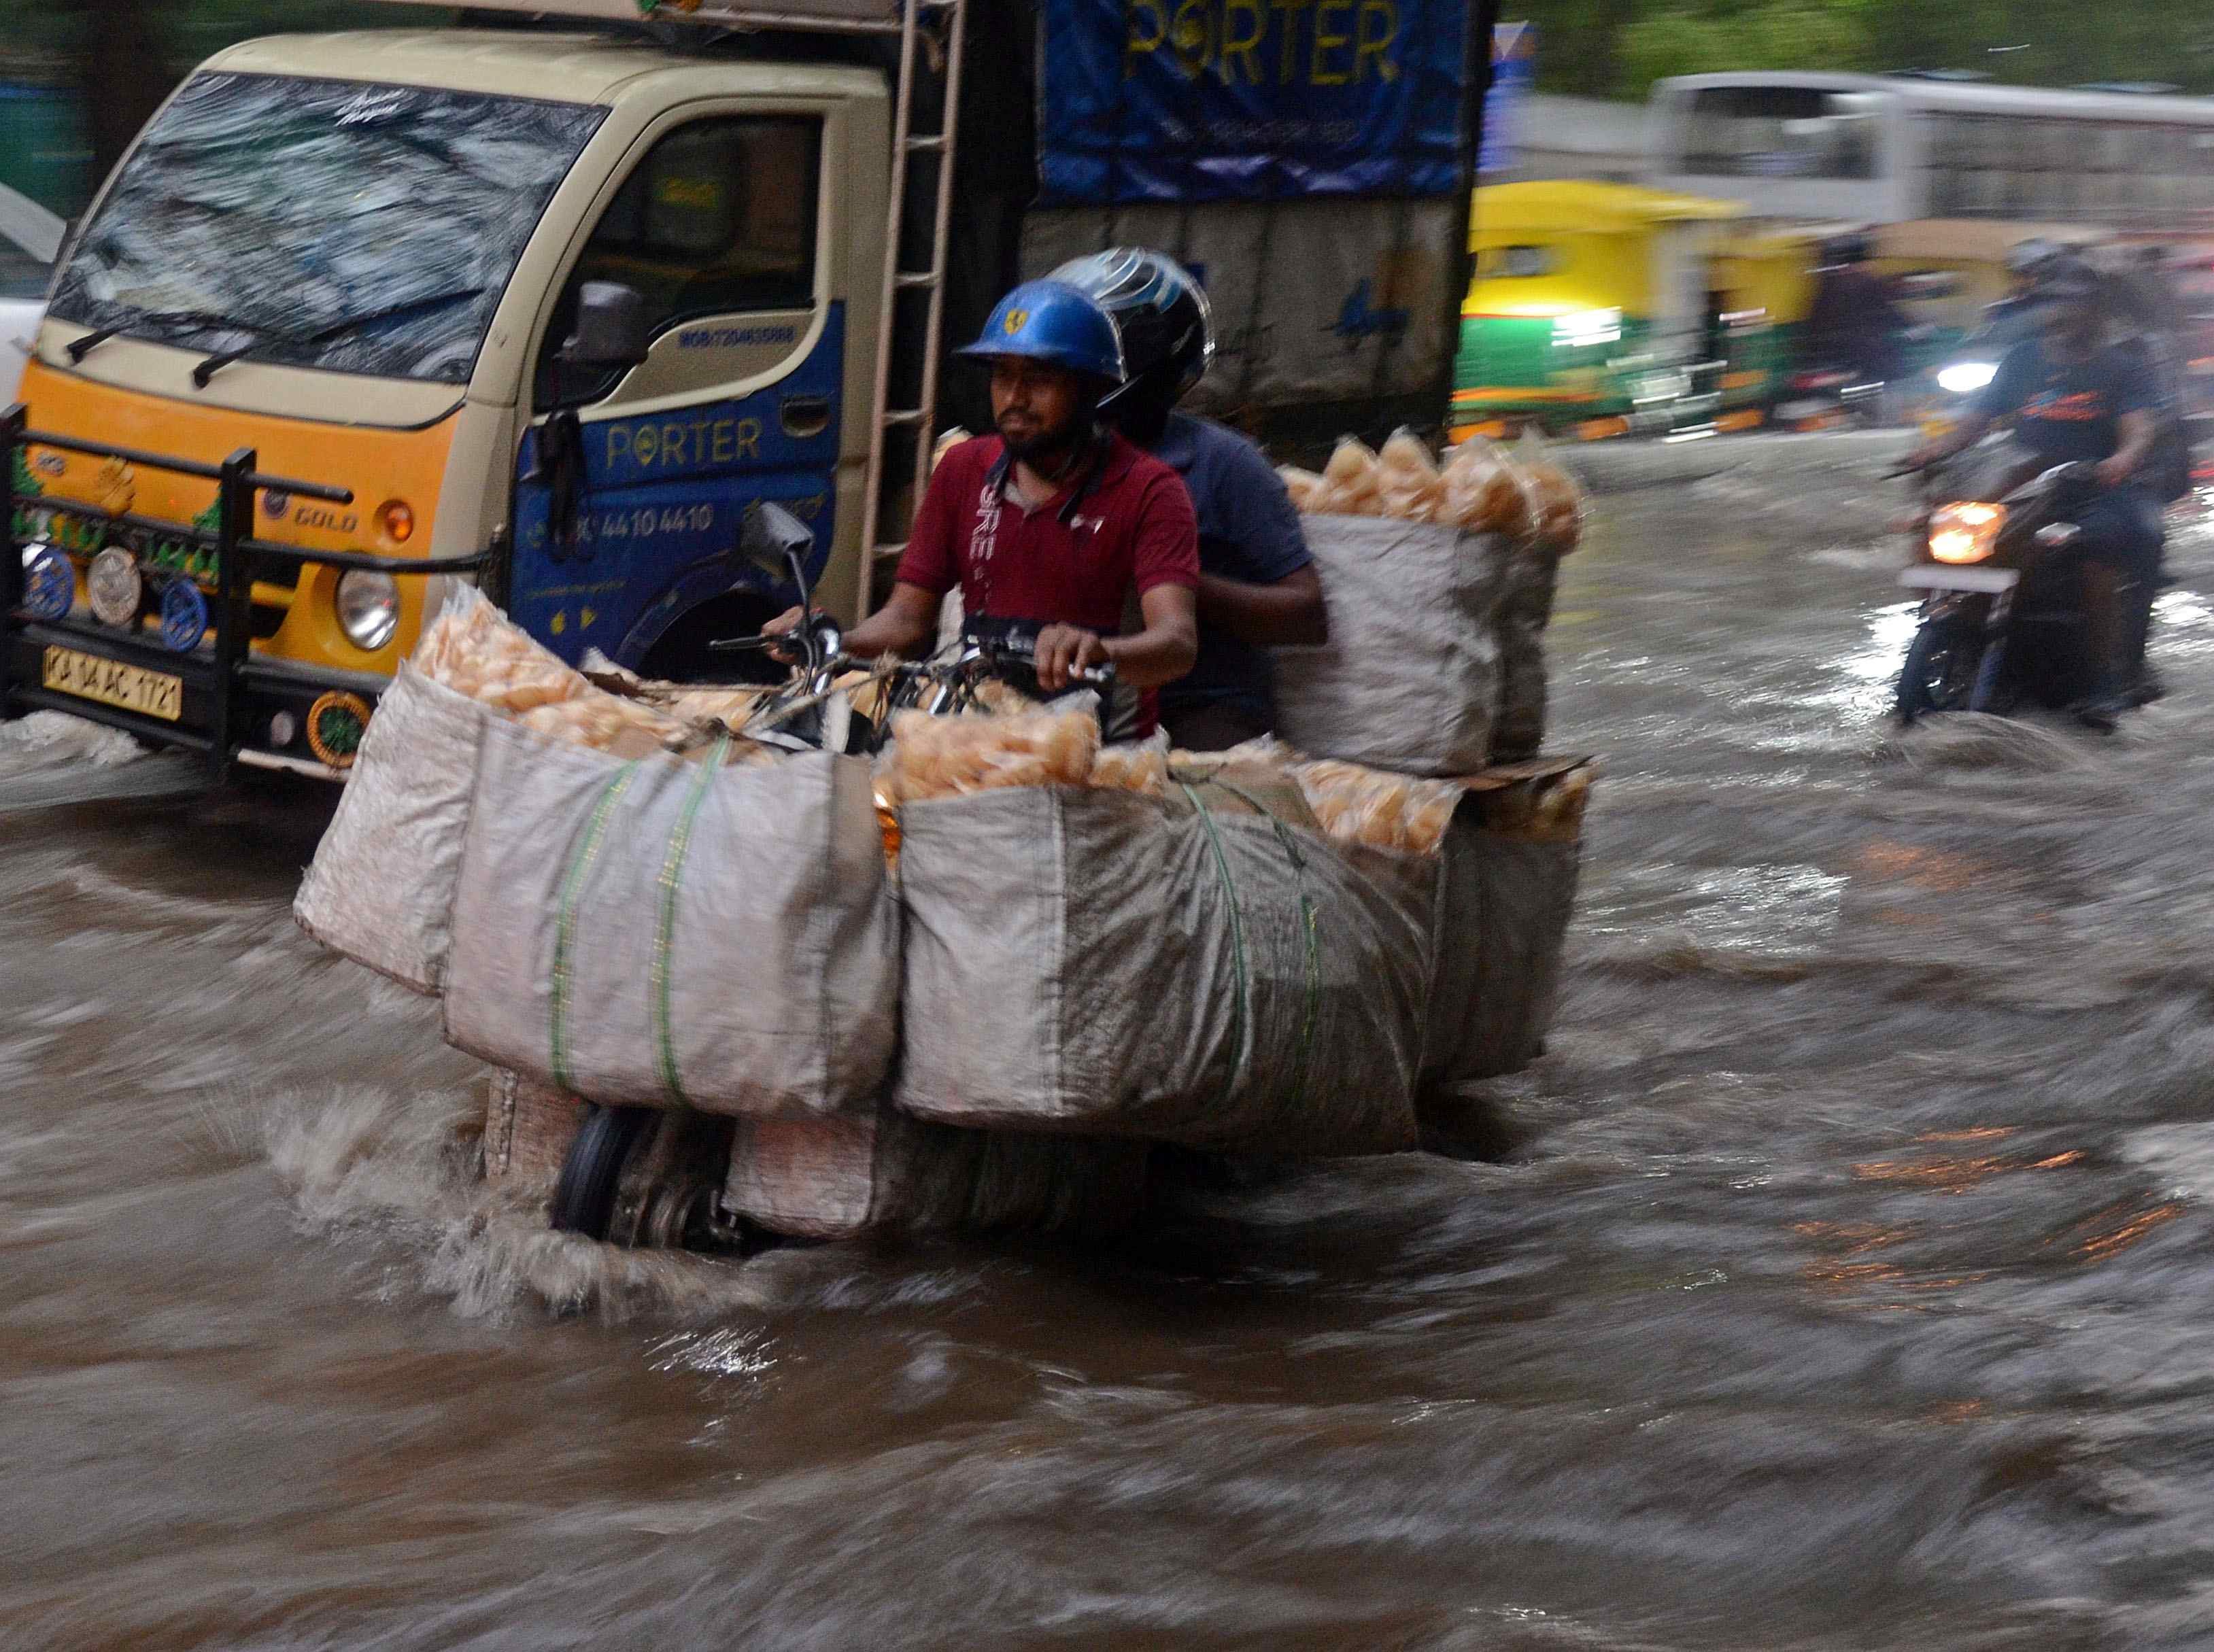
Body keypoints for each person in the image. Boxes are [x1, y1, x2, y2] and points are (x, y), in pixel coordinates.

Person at [767, 279, 1199, 733]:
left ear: (1091, 389)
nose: (1015, 398)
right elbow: (908, 620)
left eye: (1039, 379)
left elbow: (1177, 643)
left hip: (1098, 753)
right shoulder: (961, 470)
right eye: (1002, 376)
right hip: (974, 743)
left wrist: (1101, 650)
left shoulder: (1152, 491)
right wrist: (833, 640)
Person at [1049, 247, 1326, 751]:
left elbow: (1305, 614)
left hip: (1198, 706)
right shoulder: (1043, 459)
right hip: (1065, 696)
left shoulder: (1224, 465)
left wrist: (1171, 582)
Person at [1903, 255, 2162, 732]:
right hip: (2024, 485)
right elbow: (1975, 423)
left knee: (2092, 550)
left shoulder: (2123, 366)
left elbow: (2139, 430)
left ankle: (2104, 681)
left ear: (2096, 309)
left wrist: (2121, 460)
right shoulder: (2023, 360)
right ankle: (1950, 630)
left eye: (2073, 303)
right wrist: (1933, 450)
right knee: (1941, 527)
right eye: (2054, 302)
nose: (2061, 313)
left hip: (2094, 488)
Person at [1805, 230, 1907, 395]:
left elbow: (1816, 320)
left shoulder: (1825, 285)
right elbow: (1892, 315)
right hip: (1869, 358)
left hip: (1830, 357)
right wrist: (1914, 328)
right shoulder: (1868, 282)